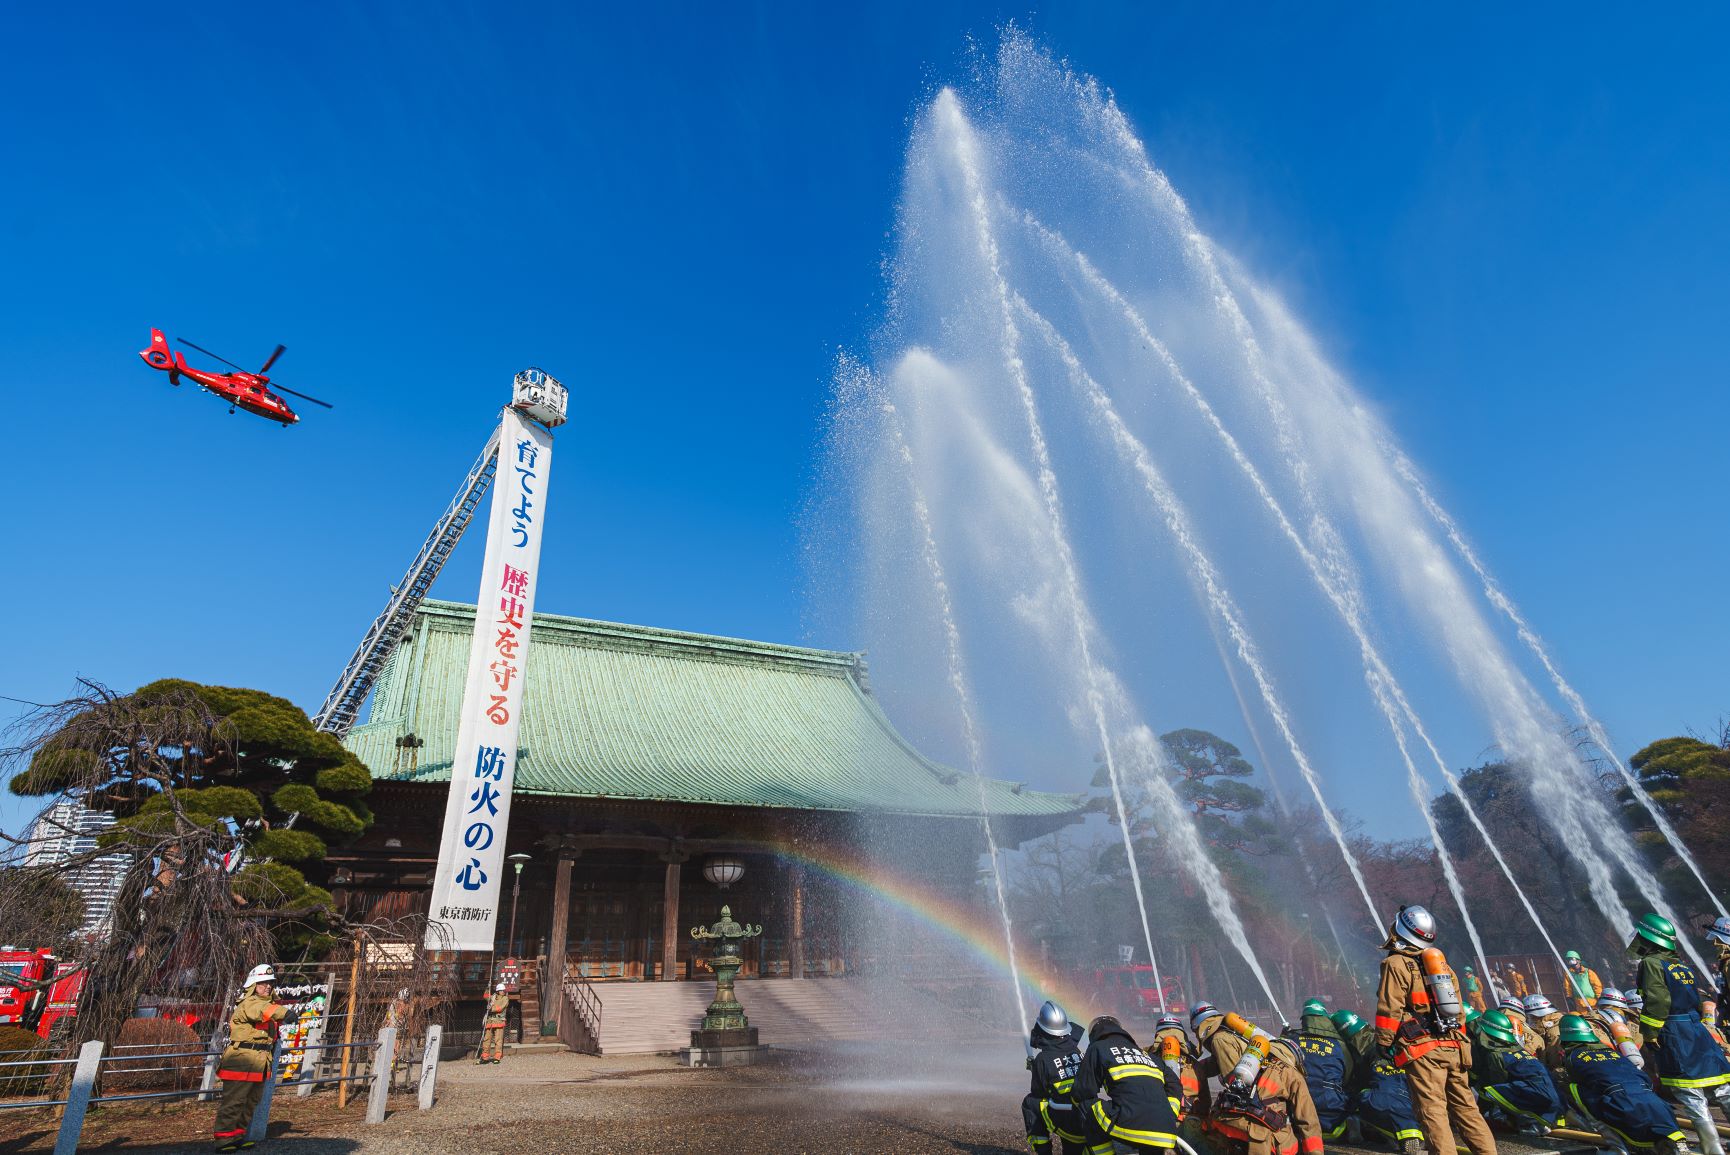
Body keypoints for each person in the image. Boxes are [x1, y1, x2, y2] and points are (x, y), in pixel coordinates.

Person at [1373, 905, 1498, 1155]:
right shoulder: (1443, 967)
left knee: (1433, 1112)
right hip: (1454, 1046)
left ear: (1400, 930)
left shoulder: (1395, 963)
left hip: (1423, 1051)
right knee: (1467, 1111)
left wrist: (1383, 1044)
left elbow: (1390, 1008)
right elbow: (1460, 1012)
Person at [1629, 911, 1730, 1155]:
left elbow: (1657, 1000)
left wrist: (1651, 1032)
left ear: (1650, 938)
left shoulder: (1651, 963)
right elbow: (1695, 999)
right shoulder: (1680, 965)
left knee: (1690, 1092)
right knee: (1723, 1089)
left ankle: (1712, 1147)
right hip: (1697, 1030)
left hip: (1675, 1032)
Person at [1555, 1013, 1689, 1155]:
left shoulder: (1573, 1057)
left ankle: (1617, 1148)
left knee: (1576, 1091)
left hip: (1620, 1103)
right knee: (1659, 1129)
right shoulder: (1614, 1052)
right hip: (1655, 1102)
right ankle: (1666, 1143)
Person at [1192, 1008, 1312, 1155]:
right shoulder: (1290, 1072)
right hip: (1272, 1139)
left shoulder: (1224, 1039)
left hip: (1232, 1127)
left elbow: (1233, 1081)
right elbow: (1308, 1120)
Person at [1071, 1014, 1185, 1154]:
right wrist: (1170, 1112)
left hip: (1133, 1125)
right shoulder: (1147, 1055)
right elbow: (1175, 1085)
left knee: (1086, 1107)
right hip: (1166, 1131)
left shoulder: (1098, 1048)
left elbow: (1082, 1092)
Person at [213, 963, 288, 1152]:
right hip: (241, 1060)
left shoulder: (267, 1004)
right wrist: (286, 1012)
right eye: (263, 983)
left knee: (250, 1101)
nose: (268, 987)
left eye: (270, 983)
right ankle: (223, 1140)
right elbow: (262, 1011)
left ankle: (237, 1136)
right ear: (254, 985)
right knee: (234, 1101)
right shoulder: (250, 1003)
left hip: (258, 1060)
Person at [1468, 1009, 1561, 1134]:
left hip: (1540, 1099)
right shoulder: (1518, 1049)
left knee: (1489, 1092)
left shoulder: (1496, 1054)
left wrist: (1481, 1111)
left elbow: (1494, 1083)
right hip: (1554, 1101)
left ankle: (1529, 1122)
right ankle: (1537, 1121)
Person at [1024, 1001, 1087, 1154]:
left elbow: (1039, 1092)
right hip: (1086, 1119)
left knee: (1030, 1104)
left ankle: (1043, 1150)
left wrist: (1036, 1070)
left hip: (1068, 1122)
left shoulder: (1043, 1059)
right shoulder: (1076, 1051)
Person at [1294, 999, 1353, 1141]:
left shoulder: (1293, 1041)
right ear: (1326, 1019)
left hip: (1301, 1111)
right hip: (1334, 1115)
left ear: (1304, 1020)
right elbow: (1347, 1076)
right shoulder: (1340, 1045)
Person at [1149, 1014, 1203, 1123]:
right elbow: (1205, 1101)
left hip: (1160, 1119)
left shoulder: (1148, 1060)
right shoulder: (1195, 1065)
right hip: (1190, 1119)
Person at [478, 982, 510, 1064]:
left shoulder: (505, 999)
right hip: (490, 1021)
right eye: (501, 990)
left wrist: (491, 1009)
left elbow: (501, 1008)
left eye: (503, 990)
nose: (503, 991)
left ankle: (497, 1057)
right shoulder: (493, 997)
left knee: (498, 1040)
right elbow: (485, 997)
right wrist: (487, 988)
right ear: (498, 991)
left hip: (499, 1021)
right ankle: (485, 1057)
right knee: (486, 1040)